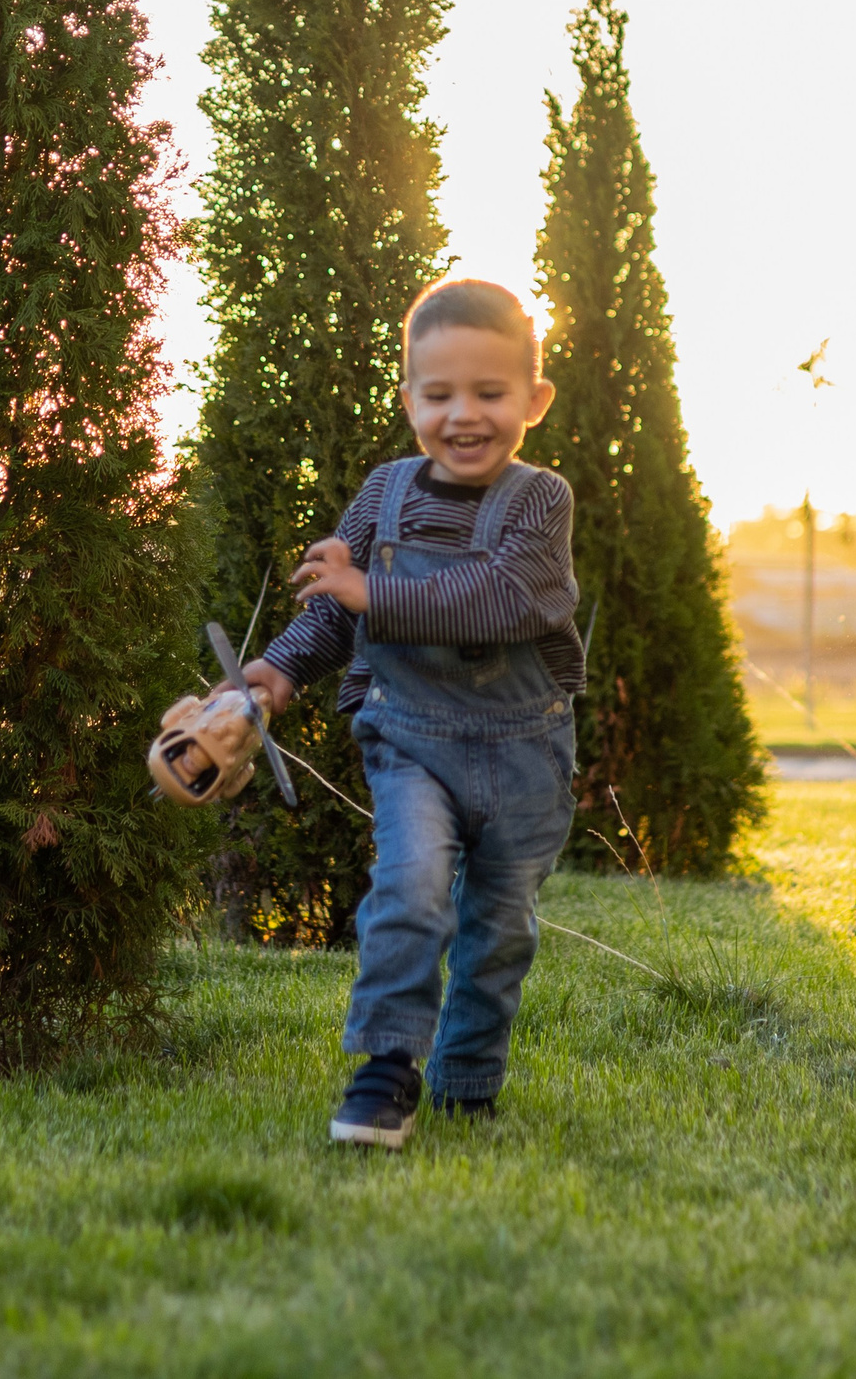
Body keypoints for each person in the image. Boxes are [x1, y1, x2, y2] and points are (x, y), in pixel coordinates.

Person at [223, 278, 584, 1148]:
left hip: (525, 755)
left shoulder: (541, 502)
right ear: (408, 397)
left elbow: (496, 599)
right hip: (409, 740)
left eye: (490, 394)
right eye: (440, 394)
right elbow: (332, 615)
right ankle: (386, 1070)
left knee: (498, 932)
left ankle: (466, 1083)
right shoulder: (383, 495)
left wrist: (369, 591)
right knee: (413, 887)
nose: (465, 415)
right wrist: (270, 677)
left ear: (533, 400)